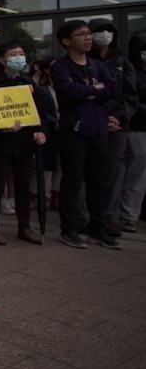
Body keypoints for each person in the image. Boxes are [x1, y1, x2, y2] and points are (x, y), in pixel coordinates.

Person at [50, 20, 121, 249]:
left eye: (89, 34)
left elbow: (113, 90)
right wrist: (95, 90)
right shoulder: (61, 67)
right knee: (72, 182)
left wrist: (91, 92)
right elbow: (69, 92)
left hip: (99, 132)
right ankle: (69, 229)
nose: (88, 38)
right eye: (82, 35)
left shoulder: (98, 66)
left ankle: (98, 229)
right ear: (67, 41)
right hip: (74, 132)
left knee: (98, 183)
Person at [0, 42, 47, 245]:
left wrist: (40, 133)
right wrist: (0, 128)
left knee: (23, 186)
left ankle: (24, 226)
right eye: (14, 54)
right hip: (1, 142)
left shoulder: (28, 83)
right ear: (2, 59)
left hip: (25, 142)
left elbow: (40, 113)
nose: (19, 58)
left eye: (22, 53)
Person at [87, 18, 138, 236]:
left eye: (108, 30)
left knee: (113, 172)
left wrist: (118, 117)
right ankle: (84, 217)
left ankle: (107, 217)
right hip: (91, 124)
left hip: (118, 126)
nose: (104, 34)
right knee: (86, 171)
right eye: (99, 31)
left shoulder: (122, 62)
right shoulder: (83, 61)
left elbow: (130, 94)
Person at [118, 31, 146, 232]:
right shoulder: (129, 71)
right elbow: (128, 99)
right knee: (132, 174)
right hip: (135, 127)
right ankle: (128, 215)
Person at [29, 56, 60, 210]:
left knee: (60, 167)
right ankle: (34, 195)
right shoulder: (42, 89)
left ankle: (56, 194)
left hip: (65, 132)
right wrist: (54, 123)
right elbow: (41, 111)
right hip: (49, 131)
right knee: (42, 165)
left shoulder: (64, 87)